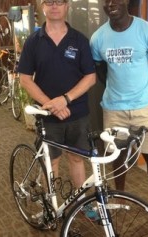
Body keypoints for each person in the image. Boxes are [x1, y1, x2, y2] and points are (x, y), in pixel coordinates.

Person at [90, 0, 148, 215]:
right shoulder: (98, 38)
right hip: (114, 108)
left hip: (144, 107)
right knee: (118, 157)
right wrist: (118, 92)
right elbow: (101, 71)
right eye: (106, 0)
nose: (111, 3)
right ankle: (119, 197)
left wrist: (145, 92)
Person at [17, 0, 96, 194]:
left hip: (77, 113)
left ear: (67, 6)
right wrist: (50, 104)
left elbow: (91, 77)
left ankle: (81, 203)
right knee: (51, 161)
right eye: (49, 1)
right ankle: (50, 206)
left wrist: (65, 99)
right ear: (42, 7)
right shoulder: (33, 41)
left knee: (76, 158)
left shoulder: (80, 40)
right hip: (47, 115)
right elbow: (25, 79)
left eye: (59, 1)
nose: (54, 6)